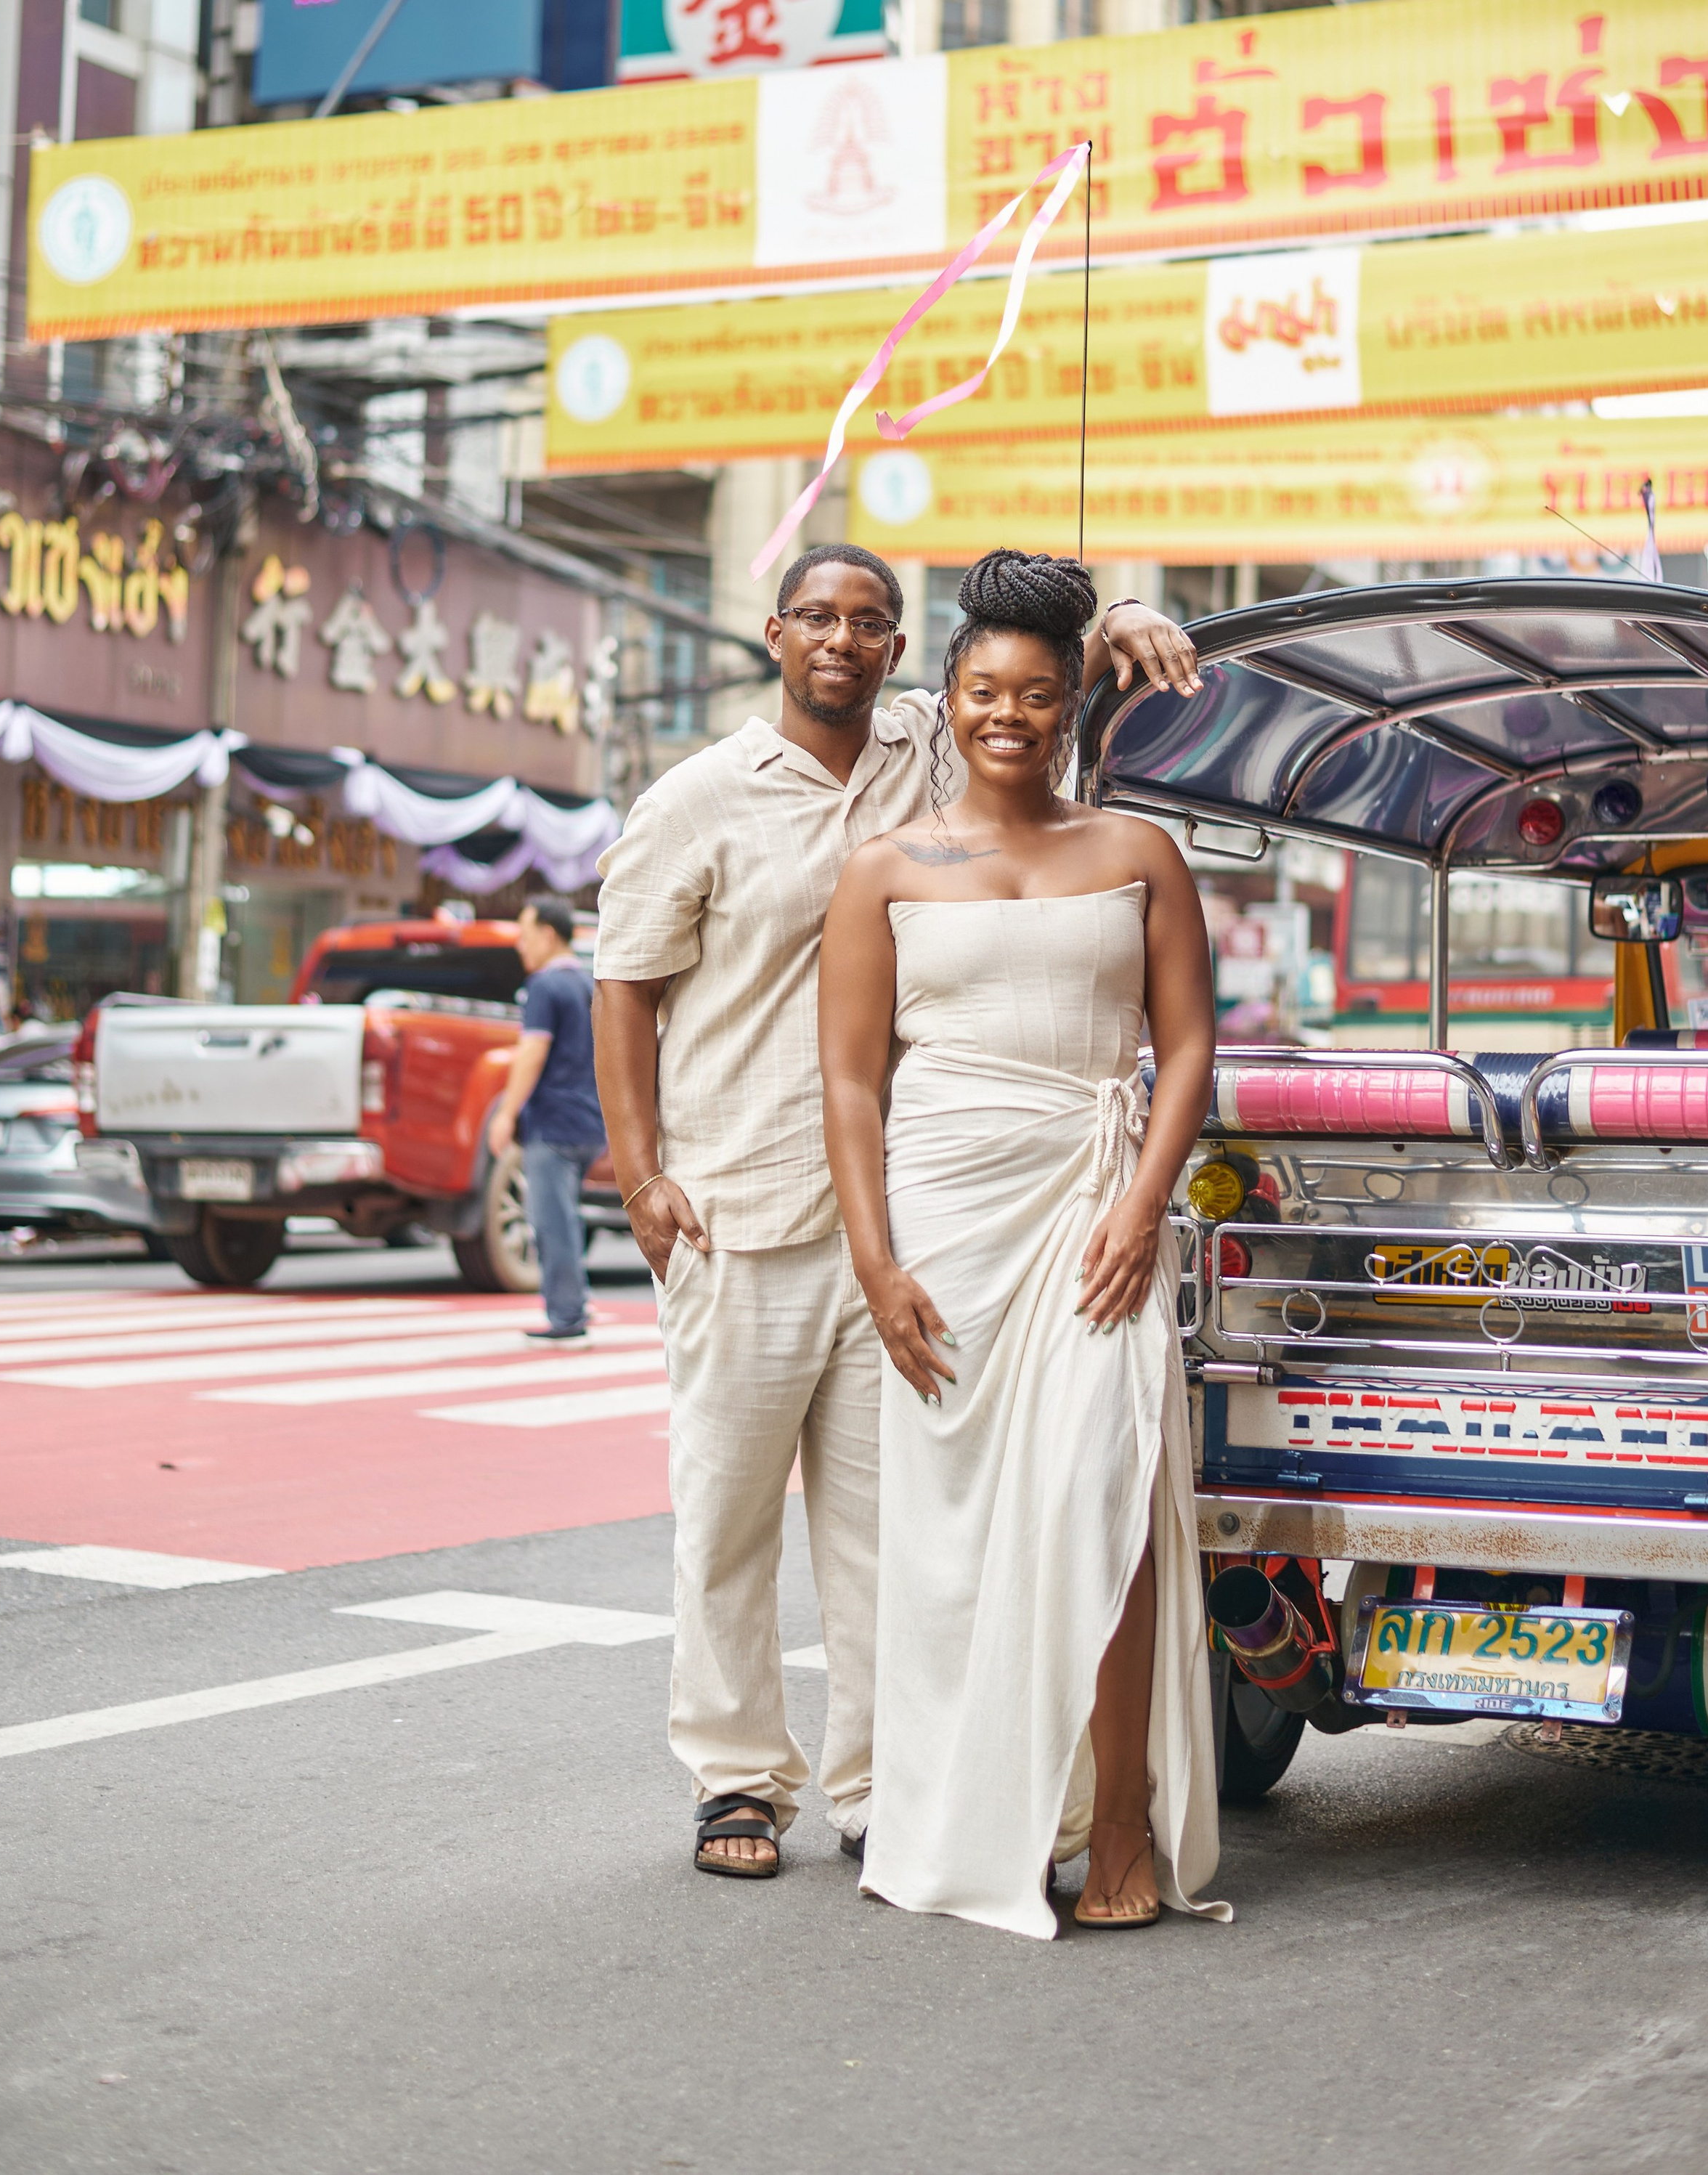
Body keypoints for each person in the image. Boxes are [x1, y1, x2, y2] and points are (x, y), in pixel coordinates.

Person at [592, 544, 1200, 1881]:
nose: (844, 641)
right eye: (819, 616)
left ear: (896, 647)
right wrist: (642, 1175)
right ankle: (738, 1780)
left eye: (870, 622)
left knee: (891, 1531)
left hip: (912, 1224)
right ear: (773, 633)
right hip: (741, 1202)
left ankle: (885, 1786)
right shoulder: (694, 800)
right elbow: (623, 985)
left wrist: (1132, 613)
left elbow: (1034, 674)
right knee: (731, 1517)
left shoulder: (925, 744)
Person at [818, 549, 1225, 1940]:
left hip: (1097, 1216)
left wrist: (1143, 1204)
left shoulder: (1136, 853)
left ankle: (1121, 1829)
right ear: (950, 698)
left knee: (1100, 1503)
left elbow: (1188, 1050)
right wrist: (876, 1263)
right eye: (986, 690)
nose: (1011, 715)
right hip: (944, 1228)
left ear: (1073, 709)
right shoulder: (882, 868)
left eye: (1039, 695)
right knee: (948, 1540)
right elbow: (853, 1083)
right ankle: (956, 1819)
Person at [487, 896, 605, 1344]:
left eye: (525, 933)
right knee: (566, 1217)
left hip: (552, 1123)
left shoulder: (543, 986)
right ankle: (575, 1302)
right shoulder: (587, 983)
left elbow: (531, 1053)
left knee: (550, 1221)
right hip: (588, 1121)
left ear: (548, 934)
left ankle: (567, 1317)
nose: (520, 944)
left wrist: (505, 1113)